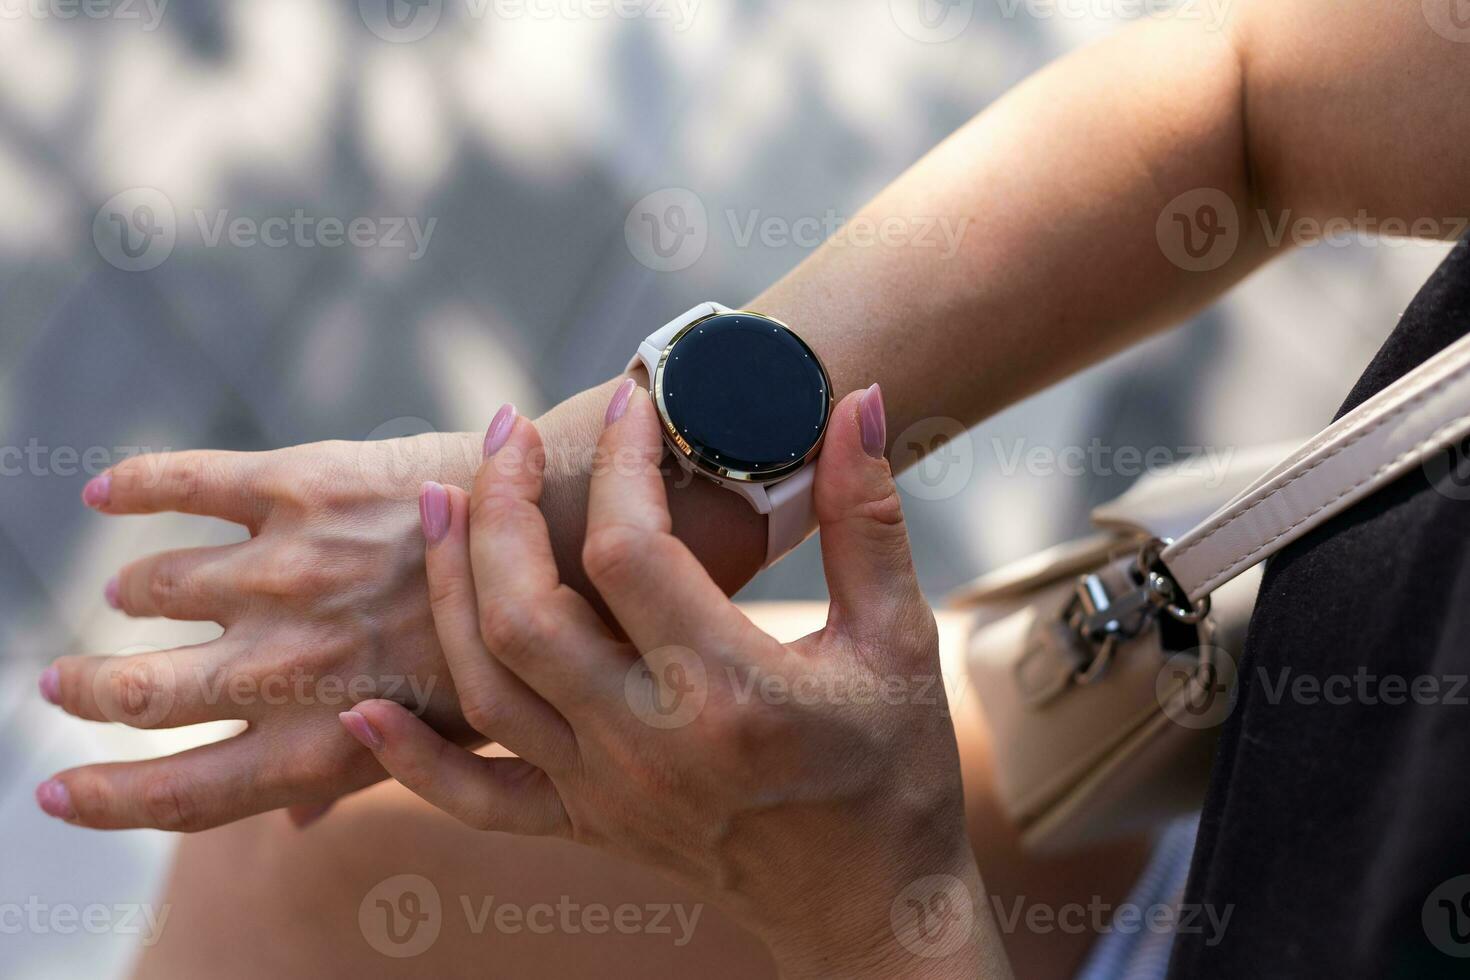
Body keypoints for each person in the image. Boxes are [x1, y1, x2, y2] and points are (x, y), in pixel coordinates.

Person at [33, 1, 1470, 975]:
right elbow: (1254, 101)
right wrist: (603, 500)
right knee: (304, 876)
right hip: (1190, 711)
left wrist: (861, 906)